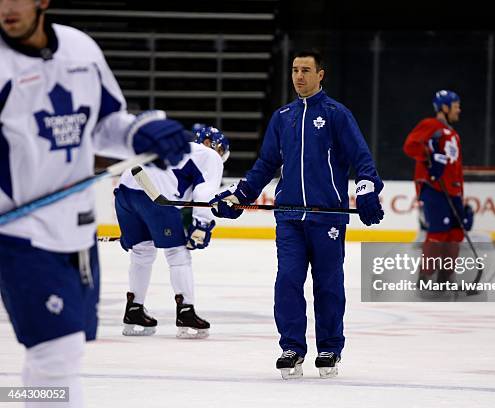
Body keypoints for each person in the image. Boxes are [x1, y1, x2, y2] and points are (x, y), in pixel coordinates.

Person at [0, 1, 191, 405]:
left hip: (76, 231)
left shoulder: (80, 50)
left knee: (56, 358)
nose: (7, 7)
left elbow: (105, 124)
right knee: (57, 353)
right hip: (18, 234)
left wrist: (140, 131)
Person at [210, 50, 384, 379]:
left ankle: (330, 347)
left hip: (328, 217)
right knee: (288, 281)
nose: (298, 76)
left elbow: (362, 159)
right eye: (294, 70)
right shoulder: (283, 116)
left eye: (306, 70)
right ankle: (291, 347)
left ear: (321, 74)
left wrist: (367, 190)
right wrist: (239, 195)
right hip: (289, 215)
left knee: (328, 285)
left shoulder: (337, 114)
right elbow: (265, 164)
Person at [116, 124, 228, 338]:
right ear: (209, 143)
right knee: (177, 254)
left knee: (141, 251)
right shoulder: (209, 156)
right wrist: (202, 225)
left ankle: (134, 310)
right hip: (156, 196)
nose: (220, 155)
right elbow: (204, 191)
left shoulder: (177, 147)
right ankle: (185, 311)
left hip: (124, 192)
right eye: (220, 149)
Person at [403, 90, 473, 290]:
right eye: (456, 105)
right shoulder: (430, 125)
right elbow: (410, 146)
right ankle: (425, 277)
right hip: (435, 189)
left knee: (456, 233)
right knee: (438, 233)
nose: (459, 109)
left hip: (453, 191)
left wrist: (460, 193)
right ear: (444, 107)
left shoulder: (453, 134)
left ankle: (445, 278)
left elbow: (456, 167)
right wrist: (429, 155)